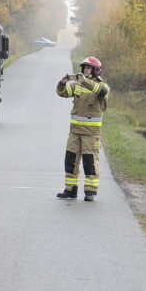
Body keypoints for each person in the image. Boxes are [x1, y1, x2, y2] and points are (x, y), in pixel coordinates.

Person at [55, 56, 110, 201]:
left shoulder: (101, 85)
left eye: (88, 67)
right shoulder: (78, 85)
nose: (85, 70)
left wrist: (86, 81)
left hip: (91, 134)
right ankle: (70, 190)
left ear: (95, 71)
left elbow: (102, 92)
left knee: (89, 162)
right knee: (70, 160)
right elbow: (62, 93)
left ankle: (90, 192)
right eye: (84, 67)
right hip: (75, 132)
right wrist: (62, 83)